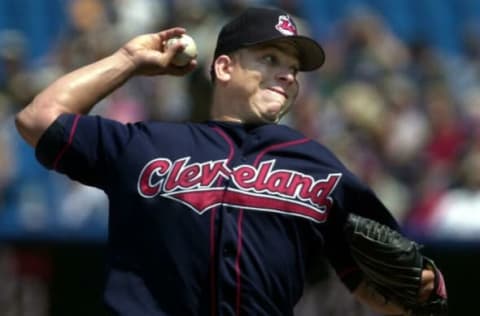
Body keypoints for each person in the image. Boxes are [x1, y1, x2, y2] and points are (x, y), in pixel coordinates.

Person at [16, 6, 441, 316]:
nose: (288, 75)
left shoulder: (319, 167)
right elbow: (38, 119)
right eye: (270, 59)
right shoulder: (148, 144)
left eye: (294, 68)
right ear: (223, 67)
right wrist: (129, 61)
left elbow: (381, 280)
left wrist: (423, 288)